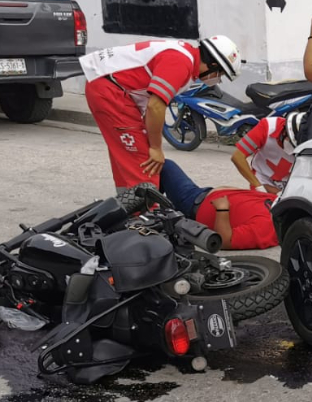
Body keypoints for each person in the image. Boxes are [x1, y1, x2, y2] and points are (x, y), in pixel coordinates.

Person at [81, 35, 240, 192]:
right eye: (220, 74)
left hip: (108, 85)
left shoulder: (184, 56)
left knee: (128, 154)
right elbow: (155, 107)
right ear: (212, 65)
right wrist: (156, 148)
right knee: (145, 162)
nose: (218, 79)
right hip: (110, 89)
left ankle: (128, 206)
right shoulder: (180, 63)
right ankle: (145, 213)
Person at [157, 158, 278, 250]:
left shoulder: (268, 229)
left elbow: (225, 241)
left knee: (162, 164)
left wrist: (222, 210)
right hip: (203, 194)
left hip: (192, 204)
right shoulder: (283, 205)